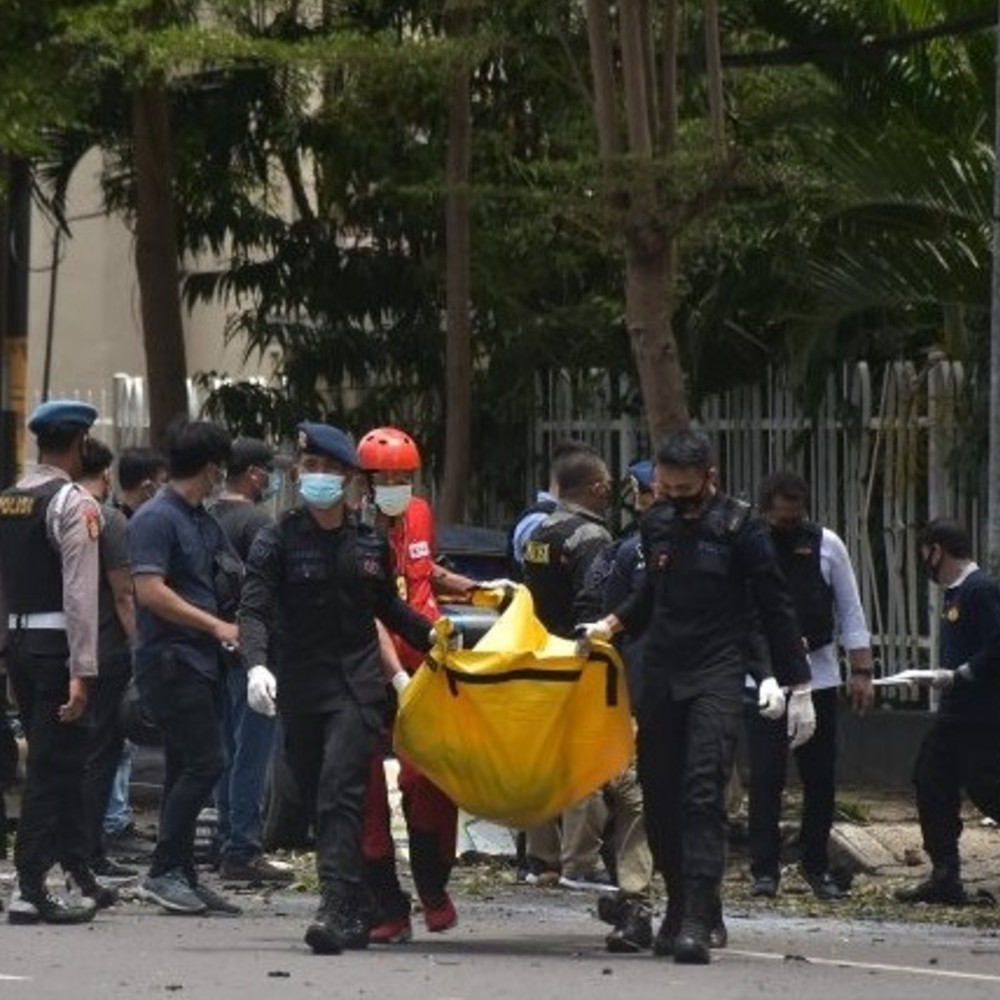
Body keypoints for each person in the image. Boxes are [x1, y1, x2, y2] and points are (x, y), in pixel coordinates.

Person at [580, 429, 815, 965]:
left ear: (710, 479)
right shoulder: (656, 522)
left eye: (686, 492)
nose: (676, 503)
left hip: (717, 668)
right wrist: (610, 624)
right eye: (666, 491)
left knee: (702, 791)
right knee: (658, 797)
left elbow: (774, 604)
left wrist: (793, 683)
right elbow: (649, 594)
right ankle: (682, 904)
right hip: (662, 668)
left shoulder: (741, 528)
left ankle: (697, 917)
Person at [240, 421, 447, 955]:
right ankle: (358, 902)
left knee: (339, 790)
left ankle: (334, 906)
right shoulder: (276, 538)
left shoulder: (369, 542)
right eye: (311, 468)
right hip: (302, 687)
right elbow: (255, 609)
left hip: (356, 688)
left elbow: (388, 607)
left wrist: (436, 641)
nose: (319, 478)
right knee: (317, 795)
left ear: (351, 480)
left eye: (330, 470)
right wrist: (256, 665)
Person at [356, 425, 477, 944]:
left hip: (425, 667)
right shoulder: (353, 533)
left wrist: (476, 589)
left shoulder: (421, 515)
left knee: (428, 780)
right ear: (364, 480)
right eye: (384, 477)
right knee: (364, 794)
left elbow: (423, 576)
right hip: (371, 673)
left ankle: (432, 888)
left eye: (404, 476)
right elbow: (373, 612)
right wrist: (396, 675)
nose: (395, 485)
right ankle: (386, 906)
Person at [0, 400, 112, 924]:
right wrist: (82, 671)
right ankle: (29, 888)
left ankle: (78, 871)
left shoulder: (9, 500)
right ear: (81, 445)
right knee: (50, 766)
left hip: (18, 647)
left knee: (62, 760)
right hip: (56, 650)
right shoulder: (74, 503)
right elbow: (80, 594)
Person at [128, 419, 241, 916]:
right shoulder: (156, 518)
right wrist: (214, 626)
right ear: (212, 467)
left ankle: (183, 873)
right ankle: (162, 872)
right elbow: (150, 591)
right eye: (221, 468)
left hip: (202, 662)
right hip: (172, 661)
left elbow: (230, 571)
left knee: (182, 767)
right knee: (208, 761)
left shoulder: (203, 519)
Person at [746, 472, 874, 901]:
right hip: (765, 680)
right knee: (765, 777)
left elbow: (850, 609)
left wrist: (862, 671)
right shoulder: (751, 544)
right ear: (767, 512)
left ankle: (815, 863)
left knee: (820, 779)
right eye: (782, 518)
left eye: (796, 517)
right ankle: (764, 869)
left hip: (818, 675)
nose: (790, 525)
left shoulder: (827, 544)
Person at [522, 443, 617, 892]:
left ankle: (541, 858)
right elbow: (592, 602)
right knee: (585, 759)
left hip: (538, 654)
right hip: (576, 656)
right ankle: (580, 860)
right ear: (597, 488)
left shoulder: (539, 533)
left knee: (543, 756)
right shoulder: (592, 538)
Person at [895, 519, 1000, 906]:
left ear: (937, 550)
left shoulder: (979, 590)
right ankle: (945, 875)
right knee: (931, 780)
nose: (927, 563)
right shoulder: (955, 594)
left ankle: (946, 875)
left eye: (926, 554)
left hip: (981, 713)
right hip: (956, 713)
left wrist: (961, 674)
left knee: (988, 788)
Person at [209, 437, 291, 884]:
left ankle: (226, 840)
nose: (273, 480)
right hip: (253, 649)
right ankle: (242, 847)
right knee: (253, 750)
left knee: (226, 748)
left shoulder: (208, 517)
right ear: (255, 474)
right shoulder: (259, 522)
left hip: (214, 643)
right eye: (270, 472)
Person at [76, 438, 141, 882]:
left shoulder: (48, 510)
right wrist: (142, 648)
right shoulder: (108, 518)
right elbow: (123, 594)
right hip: (106, 650)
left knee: (70, 754)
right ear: (105, 475)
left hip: (55, 648)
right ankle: (90, 851)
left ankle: (74, 846)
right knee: (103, 754)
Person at [103, 447, 167, 855]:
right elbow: (126, 594)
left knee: (114, 740)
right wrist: (141, 644)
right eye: (161, 485)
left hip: (110, 642)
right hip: (121, 642)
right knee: (116, 739)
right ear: (147, 486)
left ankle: (114, 819)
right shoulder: (124, 527)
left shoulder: (113, 520)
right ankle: (112, 823)